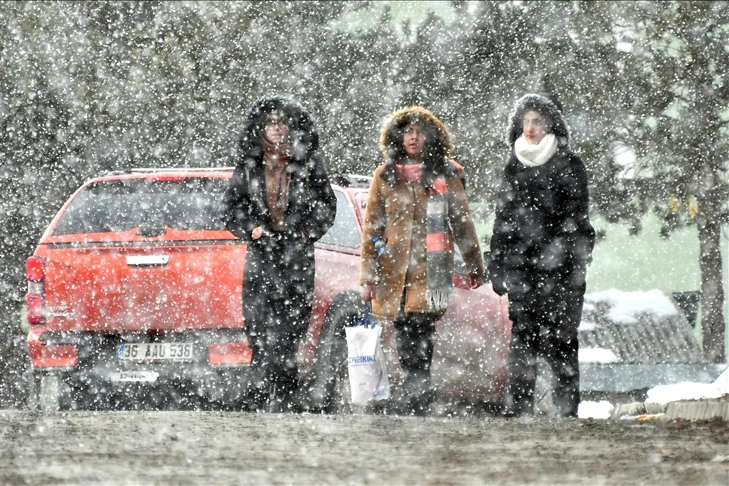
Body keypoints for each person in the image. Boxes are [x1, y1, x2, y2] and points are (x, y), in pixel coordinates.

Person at [360, 106, 484, 415]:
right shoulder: (385, 176)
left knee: (421, 330)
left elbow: (462, 223)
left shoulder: (446, 174)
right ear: (397, 137)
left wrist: (474, 266)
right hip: (395, 272)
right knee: (404, 332)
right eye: (408, 131)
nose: (413, 138)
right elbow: (372, 226)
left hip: (432, 270)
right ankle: (416, 393)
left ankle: (418, 392)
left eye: (419, 132)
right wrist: (368, 277)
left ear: (432, 137)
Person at [223, 96, 337, 412]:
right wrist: (254, 229)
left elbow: (326, 206)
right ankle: (260, 390)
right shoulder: (248, 166)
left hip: (296, 255)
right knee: (259, 326)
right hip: (261, 254)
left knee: (292, 327)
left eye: (282, 122)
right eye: (271, 122)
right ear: (261, 127)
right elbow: (231, 209)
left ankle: (287, 394)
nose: (276, 128)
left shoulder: (308, 163)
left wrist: (303, 232)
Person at [488, 93, 595, 418]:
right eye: (526, 120)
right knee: (523, 341)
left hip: (561, 273)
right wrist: (497, 262)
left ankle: (566, 413)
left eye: (537, 121)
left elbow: (578, 221)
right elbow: (503, 219)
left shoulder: (570, 164)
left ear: (550, 124)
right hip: (523, 271)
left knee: (562, 342)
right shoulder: (513, 164)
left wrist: (567, 259)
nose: (531, 127)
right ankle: (519, 411)